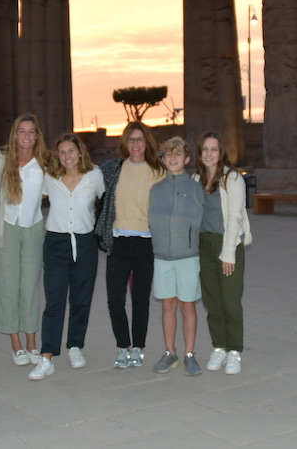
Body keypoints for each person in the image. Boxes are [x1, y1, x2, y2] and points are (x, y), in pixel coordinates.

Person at [28, 133, 106, 380]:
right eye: (62, 152)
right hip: (56, 243)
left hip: (84, 243)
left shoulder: (94, 176)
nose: (67, 156)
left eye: (71, 151)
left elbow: (107, 202)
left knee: (81, 299)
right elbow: (30, 198)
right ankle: (47, 356)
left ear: (80, 152)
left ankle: (75, 346)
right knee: (54, 300)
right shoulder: (50, 177)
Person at [96, 121, 165, 369]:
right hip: (119, 241)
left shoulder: (159, 170)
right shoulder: (113, 169)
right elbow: (87, 181)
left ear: (147, 143)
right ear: (125, 143)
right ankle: (122, 346)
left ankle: (138, 348)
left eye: (140, 139)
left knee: (140, 300)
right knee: (115, 299)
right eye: (131, 139)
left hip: (146, 242)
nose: (135, 144)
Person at [0, 113, 48, 367]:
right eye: (21, 131)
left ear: (37, 136)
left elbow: (51, 191)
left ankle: (32, 343)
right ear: (15, 134)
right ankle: (16, 344)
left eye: (31, 132)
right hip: (7, 227)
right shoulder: (2, 157)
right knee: (8, 285)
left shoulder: (45, 161)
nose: (26, 136)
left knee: (29, 286)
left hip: (33, 228)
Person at [194, 131, 252, 375]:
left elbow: (235, 217)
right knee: (212, 301)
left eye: (214, 149)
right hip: (204, 245)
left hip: (228, 244)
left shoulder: (232, 179)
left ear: (221, 153)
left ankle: (234, 351)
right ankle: (219, 347)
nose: (209, 154)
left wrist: (228, 254)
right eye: (205, 149)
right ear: (200, 153)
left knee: (230, 300)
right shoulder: (197, 178)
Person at [148, 136, 204, 376]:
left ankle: (189, 354)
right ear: (163, 159)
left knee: (188, 305)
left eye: (177, 154)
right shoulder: (156, 189)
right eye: (168, 154)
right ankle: (169, 352)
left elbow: (202, 220)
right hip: (162, 257)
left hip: (187, 256)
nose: (172, 158)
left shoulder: (194, 188)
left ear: (187, 159)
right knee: (168, 305)